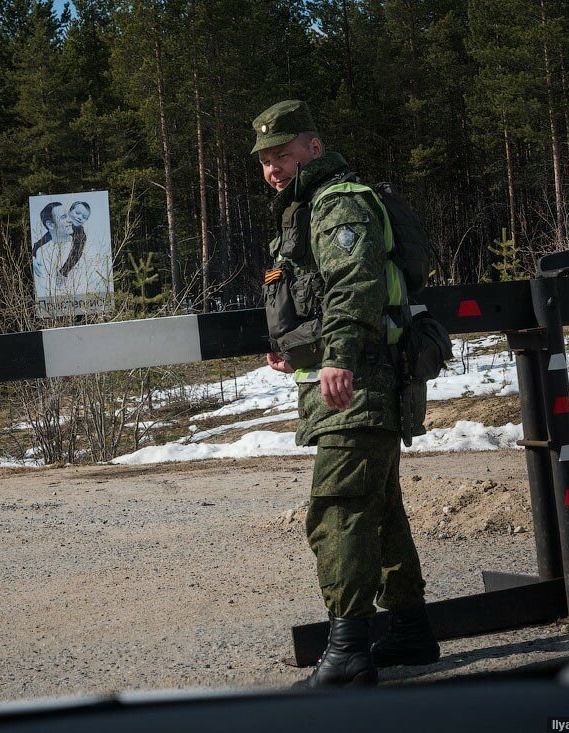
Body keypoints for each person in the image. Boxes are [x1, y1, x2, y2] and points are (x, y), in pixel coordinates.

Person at [253, 99, 439, 687]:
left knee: (337, 513)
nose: (273, 168)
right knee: (379, 512)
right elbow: (318, 294)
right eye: (264, 160)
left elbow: (354, 282)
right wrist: (301, 349)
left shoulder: (336, 201)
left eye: (282, 154)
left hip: (359, 383)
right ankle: (409, 633)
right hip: (357, 376)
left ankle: (349, 653)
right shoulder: (308, 207)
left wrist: (338, 358)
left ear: (312, 145)